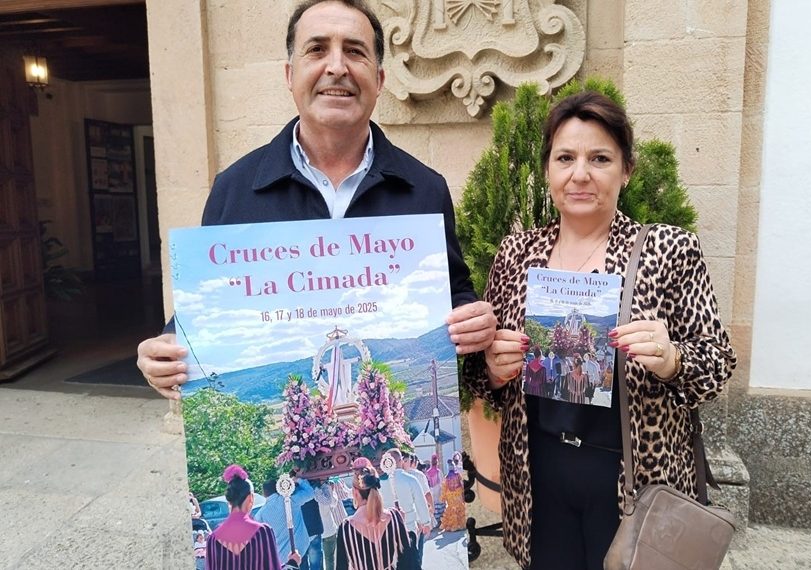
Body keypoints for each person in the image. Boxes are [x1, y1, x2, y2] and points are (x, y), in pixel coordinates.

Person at [136, 0, 496, 398]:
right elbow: (203, 315)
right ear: (290, 75)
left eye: (355, 51)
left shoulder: (425, 189)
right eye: (317, 49)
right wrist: (164, 350)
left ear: (379, 79)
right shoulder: (234, 188)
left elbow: (455, 290)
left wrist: (473, 317)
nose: (337, 67)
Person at [461, 91, 736, 569]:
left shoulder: (668, 250)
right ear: (547, 169)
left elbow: (717, 365)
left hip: (635, 477)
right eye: (565, 157)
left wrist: (673, 360)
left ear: (626, 170)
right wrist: (494, 369)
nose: (580, 173)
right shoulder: (516, 254)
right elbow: (482, 379)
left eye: (600, 158)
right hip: (538, 471)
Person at [336, 466, 416, 570]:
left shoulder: (346, 527)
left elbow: (341, 566)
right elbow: (408, 557)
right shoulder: (394, 516)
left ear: (355, 492)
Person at [207, 465, 282, 569]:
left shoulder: (213, 539)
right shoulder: (262, 532)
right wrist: (292, 563)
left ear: (228, 500)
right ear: (250, 498)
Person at [377, 449, 430, 563]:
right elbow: (421, 503)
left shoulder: (380, 483)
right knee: (411, 559)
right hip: (409, 526)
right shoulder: (410, 479)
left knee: (395, 561)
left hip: (388, 528)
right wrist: (426, 522)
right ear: (400, 461)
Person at [254, 476, 316, 568]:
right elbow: (310, 493)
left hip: (280, 557)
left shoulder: (260, 514)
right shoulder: (291, 501)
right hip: (300, 548)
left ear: (264, 493)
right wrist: (299, 480)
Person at [313, 478, 352, 570]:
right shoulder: (326, 489)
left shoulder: (309, 492)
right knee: (330, 558)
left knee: (317, 560)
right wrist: (332, 490)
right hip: (329, 529)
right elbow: (334, 503)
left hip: (315, 531)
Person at [438, 460, 465, 532]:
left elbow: (444, 487)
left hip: (449, 494)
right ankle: (459, 525)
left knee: (452, 508)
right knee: (459, 507)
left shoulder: (446, 477)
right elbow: (462, 484)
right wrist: (463, 493)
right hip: (457, 493)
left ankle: (453, 525)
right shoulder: (458, 475)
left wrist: (443, 497)